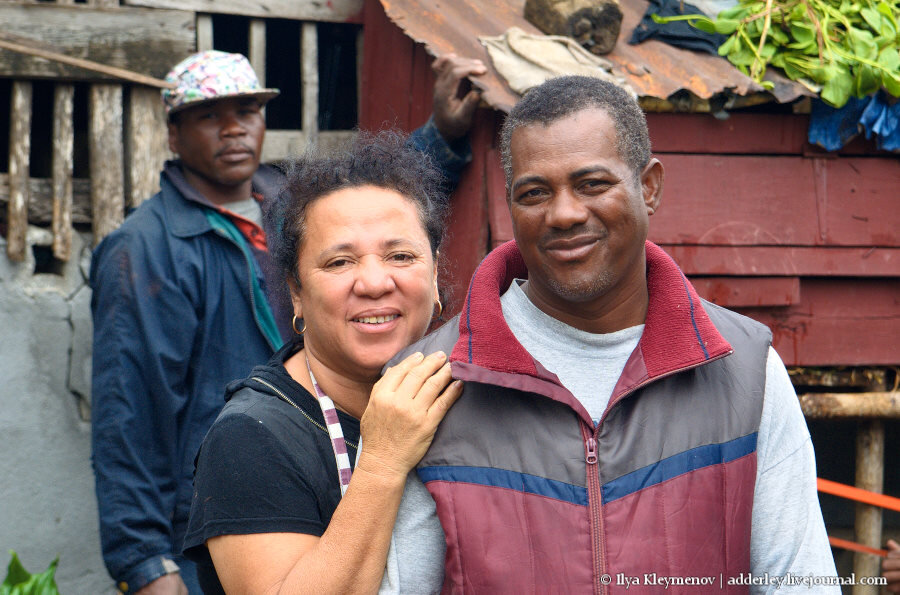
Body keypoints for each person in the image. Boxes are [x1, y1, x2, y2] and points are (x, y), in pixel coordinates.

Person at [389, 75, 841, 592]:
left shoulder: (744, 370)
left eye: (592, 184)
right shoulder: (431, 383)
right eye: (534, 193)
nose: (563, 214)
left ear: (648, 187)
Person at [90, 49, 485, 595]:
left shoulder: (282, 200)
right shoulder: (144, 250)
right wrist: (143, 562)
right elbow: (126, 408)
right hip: (230, 504)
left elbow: (381, 208)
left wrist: (442, 132)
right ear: (174, 136)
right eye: (209, 116)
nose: (233, 130)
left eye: (246, 112)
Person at [182, 131, 461, 593]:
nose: (374, 282)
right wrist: (383, 459)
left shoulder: (475, 396)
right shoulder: (252, 436)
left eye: (401, 255)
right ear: (296, 291)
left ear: (434, 274)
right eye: (338, 263)